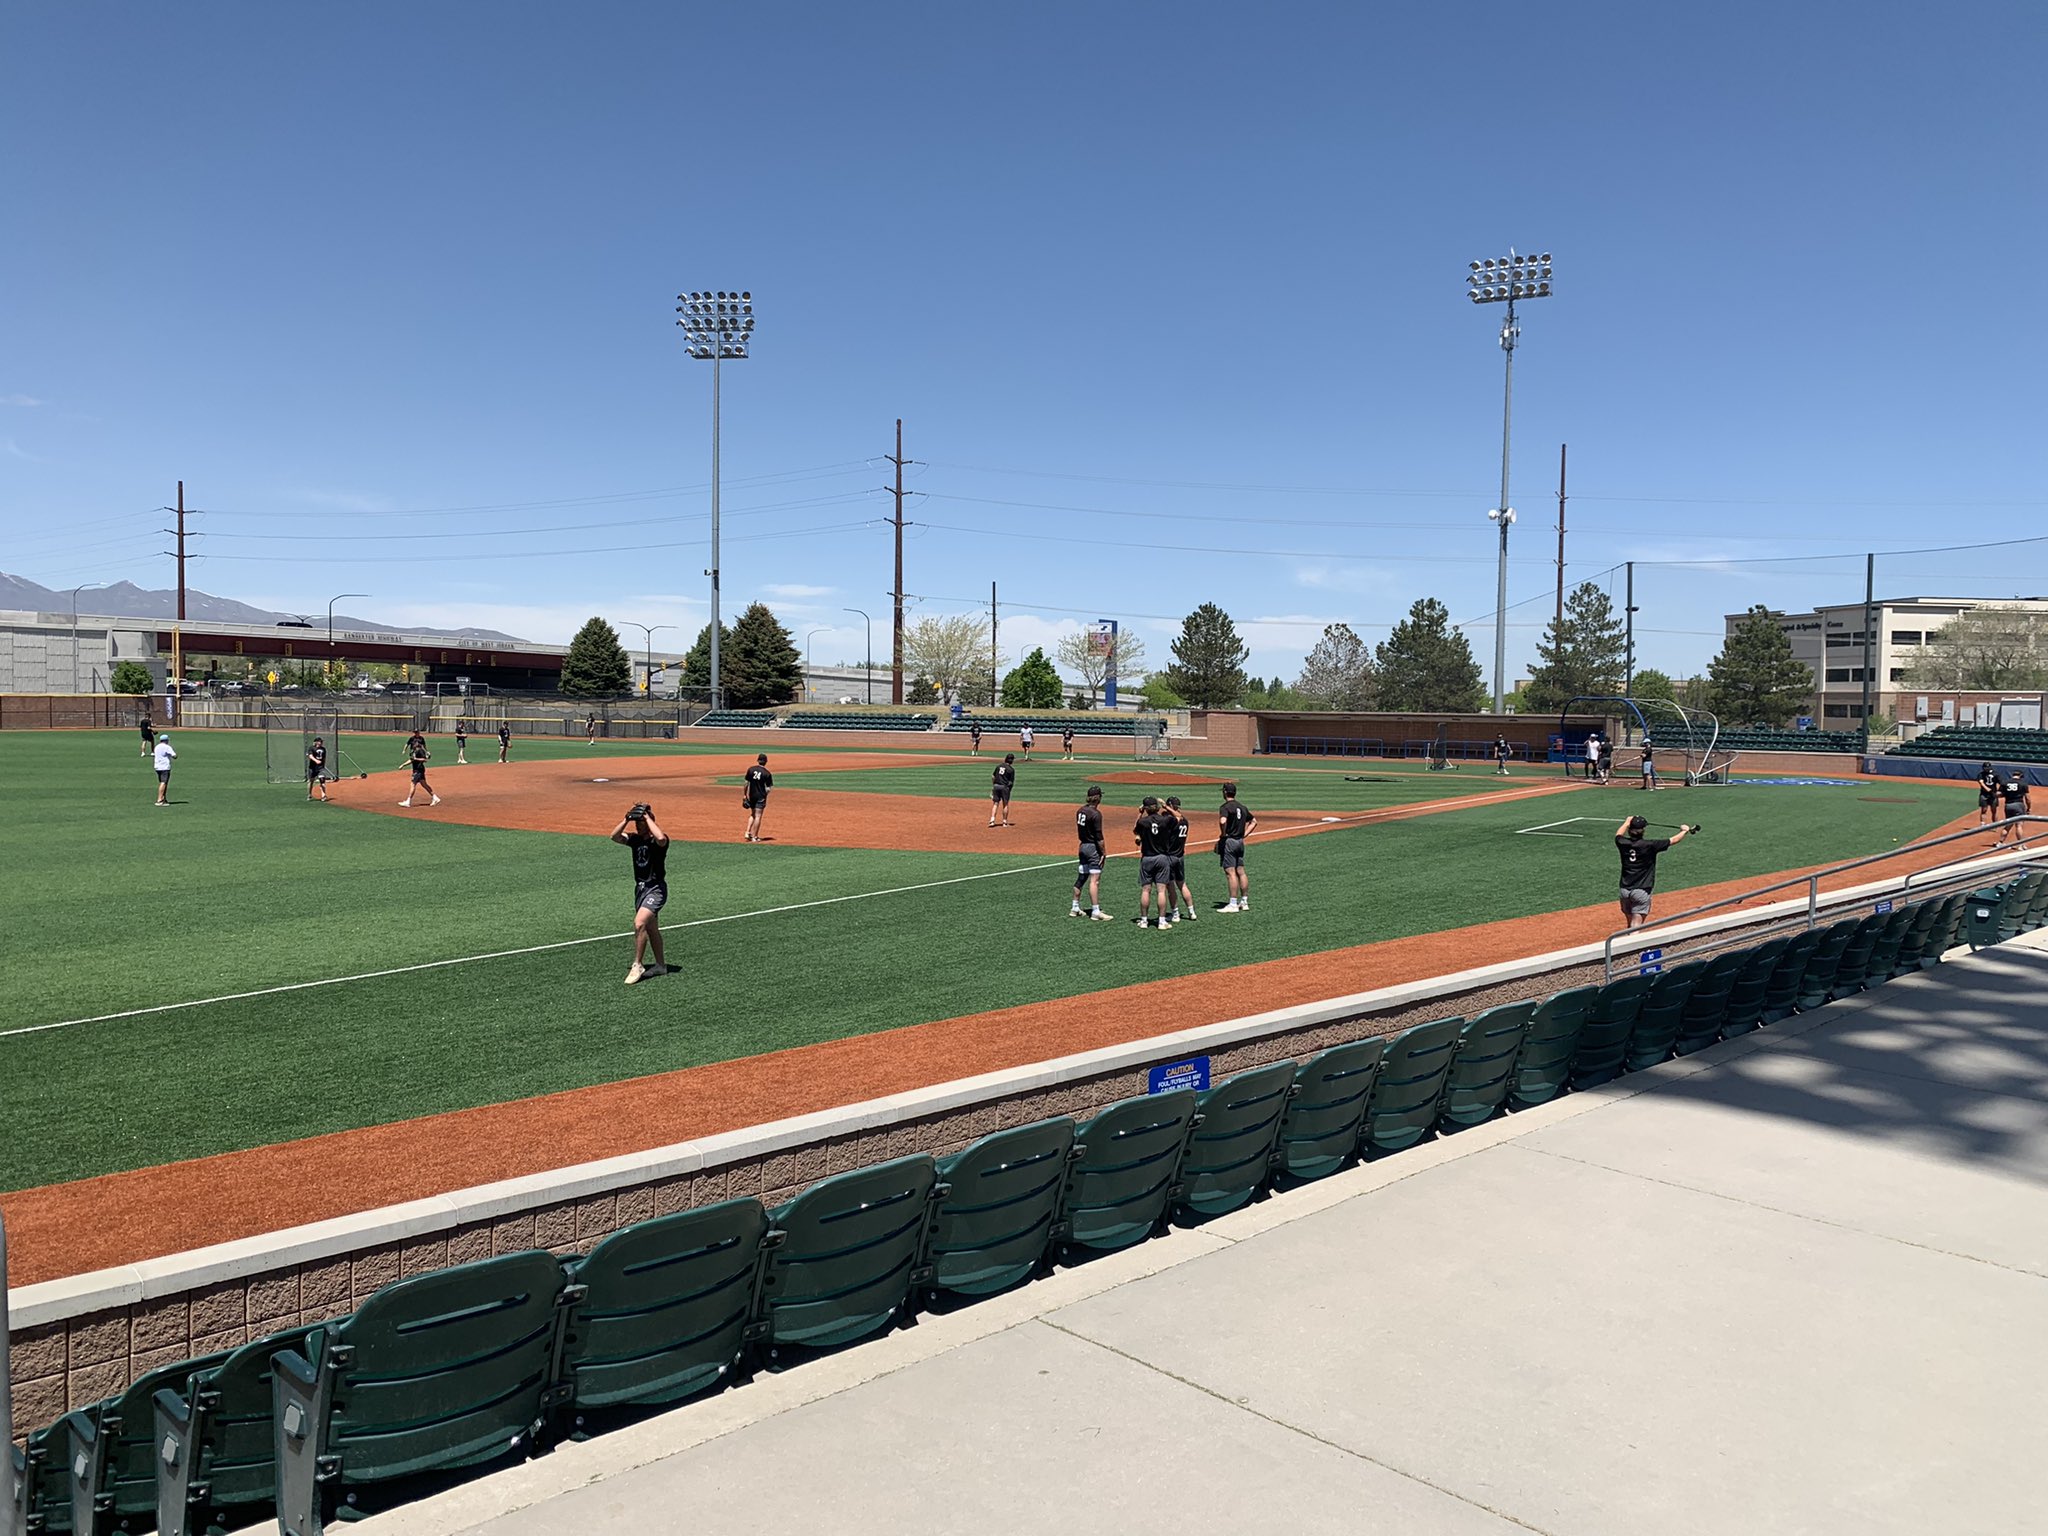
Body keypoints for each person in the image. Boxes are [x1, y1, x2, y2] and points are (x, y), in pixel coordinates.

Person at [610, 802, 670, 985]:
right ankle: (660, 965)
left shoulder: (658, 841)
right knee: (651, 929)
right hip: (641, 889)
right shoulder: (635, 840)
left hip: (656, 888)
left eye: (641, 822)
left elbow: (660, 837)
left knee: (639, 923)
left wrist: (647, 818)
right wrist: (626, 819)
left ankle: (638, 964)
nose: (638, 825)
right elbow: (614, 836)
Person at [1615, 813, 1692, 929]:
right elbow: (1674, 840)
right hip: (1641, 890)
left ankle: (1628, 942)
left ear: (1630, 830)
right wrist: (1684, 831)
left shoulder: (1622, 843)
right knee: (1636, 926)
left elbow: (1618, 834)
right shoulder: (1650, 845)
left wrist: (1626, 822)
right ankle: (1634, 945)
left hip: (1625, 890)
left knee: (1629, 924)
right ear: (1643, 830)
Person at [1133, 795, 1177, 930]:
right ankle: (1162, 921)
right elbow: (1178, 818)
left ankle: (1144, 920)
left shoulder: (1143, 822)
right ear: (1157, 808)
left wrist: (1139, 814)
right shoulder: (1165, 820)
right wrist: (1166, 807)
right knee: (1161, 891)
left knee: (1146, 890)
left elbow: (1135, 830)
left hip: (1147, 858)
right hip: (1162, 858)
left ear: (1145, 809)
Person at [1069, 785, 1113, 920]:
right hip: (1092, 847)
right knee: (1095, 881)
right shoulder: (1096, 814)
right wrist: (1103, 853)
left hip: (1082, 847)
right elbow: (1099, 836)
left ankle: (1075, 907)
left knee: (1082, 877)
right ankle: (1095, 911)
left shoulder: (1080, 810)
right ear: (1098, 798)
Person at [1217, 781, 1256, 912]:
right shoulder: (1242, 807)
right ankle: (1244, 901)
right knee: (1241, 871)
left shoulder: (1225, 807)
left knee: (1230, 872)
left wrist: (1223, 834)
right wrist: (1244, 834)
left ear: (1224, 792)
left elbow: (1223, 821)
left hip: (1230, 841)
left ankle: (1233, 903)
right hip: (1240, 842)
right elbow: (1254, 822)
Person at [1164, 794, 1197, 923]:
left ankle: (1175, 914)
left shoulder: (1171, 820)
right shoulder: (1185, 820)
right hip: (1180, 856)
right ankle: (1191, 911)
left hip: (1170, 856)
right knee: (1182, 884)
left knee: (1170, 885)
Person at [1995, 771, 2032, 847]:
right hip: (2019, 805)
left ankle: (2000, 843)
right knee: (2019, 825)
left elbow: (1998, 794)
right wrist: (2029, 808)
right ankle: (2021, 845)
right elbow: (2027, 798)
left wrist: (2007, 794)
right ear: (2020, 776)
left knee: (2008, 825)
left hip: (2008, 805)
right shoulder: (2023, 784)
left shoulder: (2005, 783)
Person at [400, 737, 440, 808]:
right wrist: (403, 765)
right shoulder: (414, 751)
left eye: (414, 744)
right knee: (424, 784)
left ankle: (408, 801)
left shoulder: (419, 751)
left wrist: (416, 759)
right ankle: (435, 797)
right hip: (418, 770)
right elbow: (411, 760)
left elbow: (424, 759)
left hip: (418, 770)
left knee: (413, 784)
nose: (413, 745)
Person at [743, 753, 773, 842]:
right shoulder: (767, 773)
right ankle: (755, 836)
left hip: (752, 795)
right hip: (760, 796)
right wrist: (765, 796)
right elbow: (768, 788)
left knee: (752, 814)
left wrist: (745, 795)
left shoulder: (751, 770)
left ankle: (747, 832)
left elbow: (746, 783)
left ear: (758, 760)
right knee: (758, 816)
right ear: (766, 762)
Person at [989, 751, 1016, 828]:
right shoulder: (1011, 770)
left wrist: (993, 785)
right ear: (1012, 760)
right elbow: (1011, 782)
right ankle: (1004, 822)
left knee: (995, 804)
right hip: (1004, 787)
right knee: (1005, 804)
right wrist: (1009, 790)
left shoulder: (998, 766)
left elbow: (993, 776)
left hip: (996, 786)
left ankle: (992, 820)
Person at [152, 730, 176, 806]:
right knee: (163, 782)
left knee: (163, 782)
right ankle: (159, 799)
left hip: (157, 766)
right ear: (166, 740)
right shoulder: (167, 747)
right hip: (164, 767)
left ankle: (164, 799)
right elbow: (174, 755)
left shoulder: (157, 747)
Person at [1977, 762, 2002, 828]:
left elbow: (2001, 783)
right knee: (1984, 809)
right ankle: (1982, 824)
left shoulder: (1996, 774)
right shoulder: (1981, 774)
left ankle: (1995, 824)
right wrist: (1987, 788)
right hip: (1984, 794)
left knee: (1994, 810)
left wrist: (1999, 791)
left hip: (1993, 794)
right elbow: (1981, 782)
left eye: (1987, 767)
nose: (1986, 769)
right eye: (1985, 768)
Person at [306, 736, 329, 802]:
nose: (321, 743)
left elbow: (324, 758)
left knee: (322, 780)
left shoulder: (323, 749)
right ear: (316, 742)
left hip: (320, 768)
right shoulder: (311, 748)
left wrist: (323, 766)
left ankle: (323, 795)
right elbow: (310, 756)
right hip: (312, 768)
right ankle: (309, 794)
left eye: (321, 742)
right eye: (319, 741)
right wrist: (316, 761)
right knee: (311, 781)